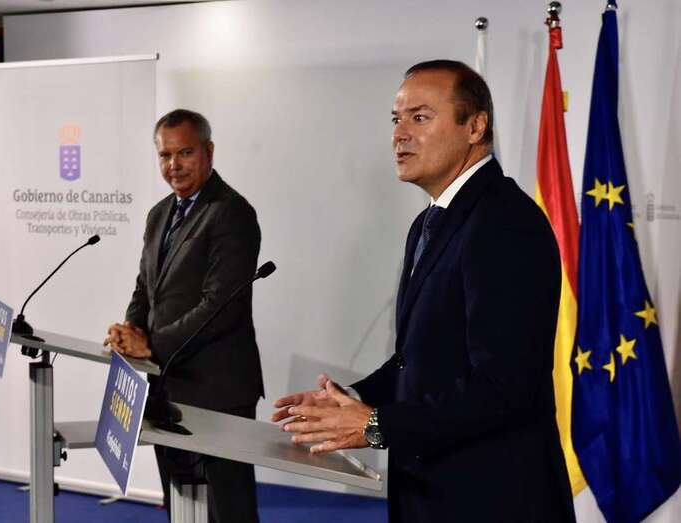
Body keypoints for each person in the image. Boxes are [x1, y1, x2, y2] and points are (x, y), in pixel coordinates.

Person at [273, 60, 576, 522]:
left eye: (420, 117)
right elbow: (416, 360)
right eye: (396, 120)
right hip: (432, 493)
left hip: (495, 500)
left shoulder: (504, 223)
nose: (399, 134)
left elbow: (502, 388)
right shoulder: (429, 223)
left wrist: (375, 426)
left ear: (475, 127)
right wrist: (350, 399)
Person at [105, 109, 262, 523]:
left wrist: (151, 344)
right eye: (165, 155)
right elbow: (146, 287)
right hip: (166, 383)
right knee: (181, 503)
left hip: (218, 388)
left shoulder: (232, 213)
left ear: (208, 151)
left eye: (185, 153)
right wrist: (130, 329)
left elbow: (220, 306)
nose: (173, 165)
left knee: (228, 509)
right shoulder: (159, 213)